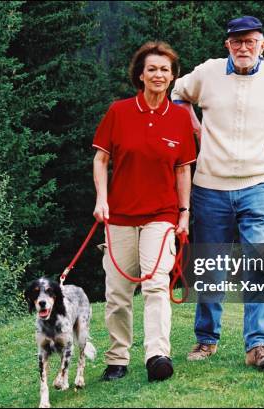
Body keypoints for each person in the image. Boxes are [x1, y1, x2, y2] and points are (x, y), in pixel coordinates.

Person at [171, 16, 264, 369]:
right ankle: (206, 340)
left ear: (262, 45)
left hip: (258, 185)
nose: (243, 48)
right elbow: (177, 93)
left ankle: (258, 346)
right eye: (236, 41)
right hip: (210, 186)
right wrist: (192, 124)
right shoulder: (207, 73)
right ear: (227, 44)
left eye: (250, 41)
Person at [92, 41, 196, 382]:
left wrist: (184, 212)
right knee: (118, 293)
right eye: (152, 68)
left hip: (162, 216)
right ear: (140, 74)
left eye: (165, 70)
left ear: (172, 77)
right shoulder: (119, 112)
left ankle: (157, 355)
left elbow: (183, 169)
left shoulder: (180, 118)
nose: (158, 74)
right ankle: (117, 358)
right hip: (119, 216)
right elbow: (101, 159)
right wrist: (101, 200)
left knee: (155, 285)